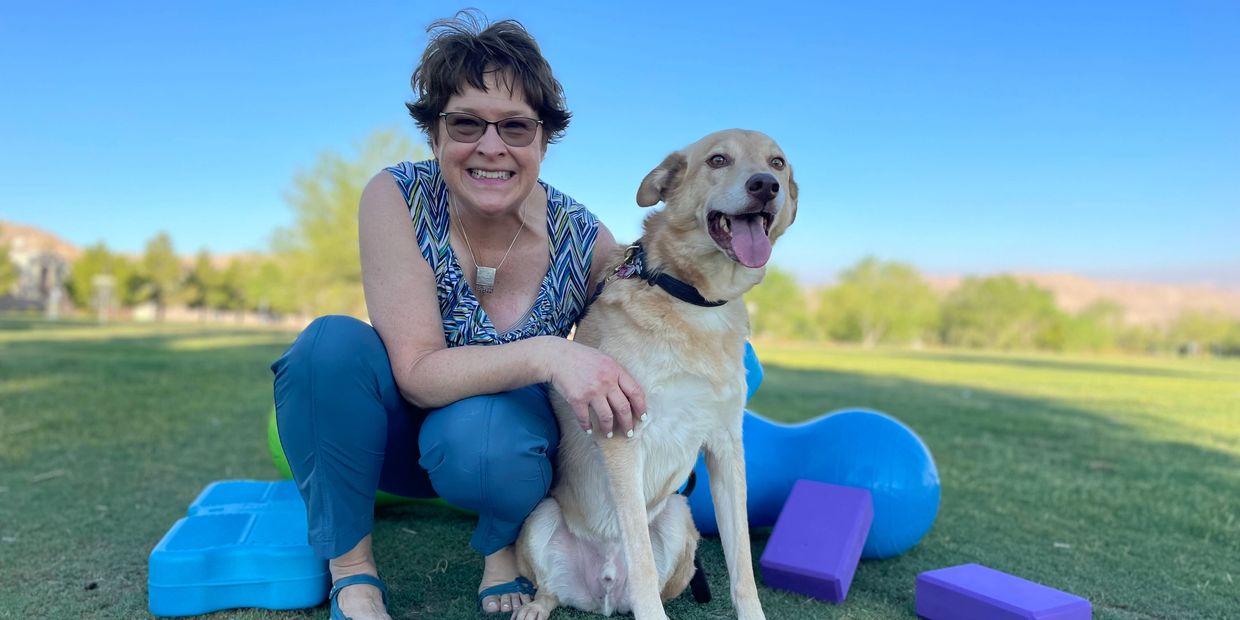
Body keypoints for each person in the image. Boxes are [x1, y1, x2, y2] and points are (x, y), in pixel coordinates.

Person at [271, 12, 645, 619]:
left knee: (488, 434)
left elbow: (657, 298)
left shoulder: (582, 235)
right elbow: (417, 370)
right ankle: (353, 574)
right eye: (466, 123)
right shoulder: (397, 196)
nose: (490, 147)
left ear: (544, 141)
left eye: (516, 128)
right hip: (396, 438)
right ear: (435, 134)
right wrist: (553, 352)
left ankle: (501, 545)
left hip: (502, 455)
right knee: (327, 348)